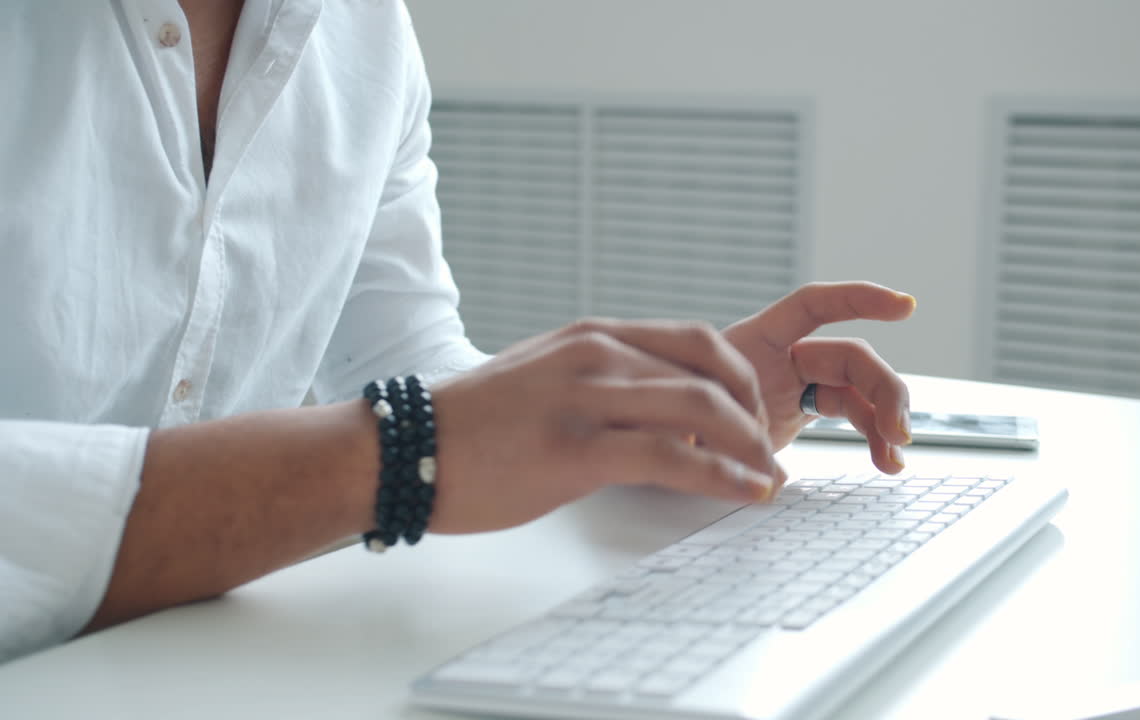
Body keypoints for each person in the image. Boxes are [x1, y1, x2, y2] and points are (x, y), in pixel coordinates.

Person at [0, 0, 914, 664]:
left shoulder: (366, 30)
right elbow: (415, 429)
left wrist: (640, 419)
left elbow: (404, 360)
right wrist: (399, 455)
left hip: (204, 660)